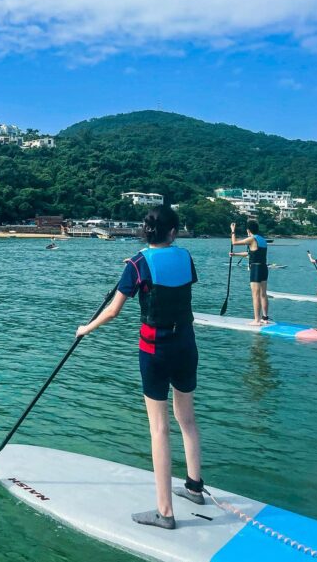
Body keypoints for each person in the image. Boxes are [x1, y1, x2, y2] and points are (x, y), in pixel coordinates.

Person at [76, 205, 203, 531]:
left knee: (159, 429)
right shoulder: (185, 257)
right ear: (173, 232)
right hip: (187, 346)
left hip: (155, 351)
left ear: (146, 232)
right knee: (186, 419)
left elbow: (114, 311)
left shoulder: (137, 263)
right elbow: (177, 278)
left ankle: (165, 512)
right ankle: (194, 487)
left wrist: (85, 329)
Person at [229, 221, 269, 324]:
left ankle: (257, 320)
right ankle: (265, 318)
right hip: (264, 268)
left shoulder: (252, 238)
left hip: (255, 269)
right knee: (263, 294)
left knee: (255, 295)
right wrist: (234, 254)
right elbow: (250, 253)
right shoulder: (263, 240)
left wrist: (233, 231)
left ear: (248, 230)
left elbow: (234, 242)